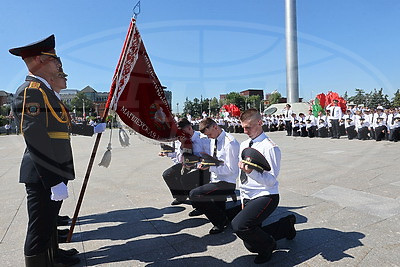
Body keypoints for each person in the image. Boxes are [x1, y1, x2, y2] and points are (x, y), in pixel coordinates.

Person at [9, 34, 106, 266]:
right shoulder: (31, 91)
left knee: (49, 221)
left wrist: (91, 130)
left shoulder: (46, 92)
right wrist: (52, 179)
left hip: (54, 168)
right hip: (44, 173)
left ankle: (53, 255)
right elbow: (36, 137)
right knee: (39, 228)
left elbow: (62, 126)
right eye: (54, 60)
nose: (59, 65)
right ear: (39, 60)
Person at [231, 109, 296, 264]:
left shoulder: (270, 147)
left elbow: (271, 180)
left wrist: (251, 172)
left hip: (265, 194)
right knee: (251, 244)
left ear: (259, 123)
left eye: (248, 127)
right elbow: (243, 174)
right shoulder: (245, 144)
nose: (244, 131)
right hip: (248, 194)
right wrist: (243, 197)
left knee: (239, 226)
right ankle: (286, 225)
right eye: (243, 127)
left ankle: (269, 245)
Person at [189, 118, 239, 234]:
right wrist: (205, 163)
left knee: (195, 194)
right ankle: (224, 216)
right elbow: (214, 159)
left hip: (227, 182)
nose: (209, 137)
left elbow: (231, 170)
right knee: (193, 182)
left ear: (215, 127)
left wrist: (210, 167)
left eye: (210, 134)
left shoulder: (230, 143)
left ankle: (220, 221)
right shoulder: (213, 139)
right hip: (215, 178)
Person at [160, 118, 210, 205]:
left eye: (182, 133)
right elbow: (179, 158)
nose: (180, 136)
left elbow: (210, 157)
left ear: (190, 128)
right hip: (186, 164)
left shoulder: (203, 139)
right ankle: (180, 196)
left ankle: (199, 203)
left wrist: (197, 161)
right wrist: (181, 146)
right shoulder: (180, 139)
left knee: (186, 179)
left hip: (202, 166)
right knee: (167, 174)